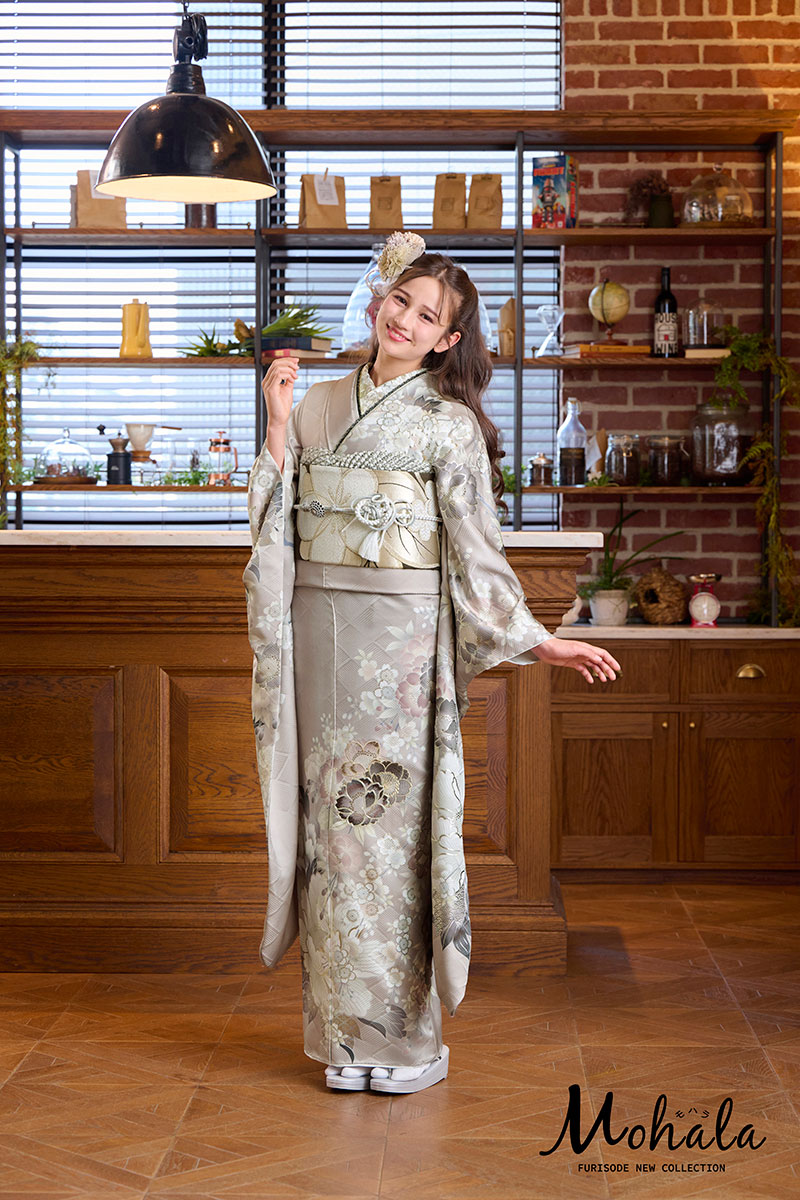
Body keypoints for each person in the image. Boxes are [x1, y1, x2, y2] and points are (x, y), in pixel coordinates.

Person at [243, 233, 620, 1096]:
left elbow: (477, 550)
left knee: (391, 835)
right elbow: (275, 517)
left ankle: (406, 1043)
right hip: (319, 633)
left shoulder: (448, 426)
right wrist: (277, 423)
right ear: (379, 301)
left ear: (448, 340)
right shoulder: (317, 403)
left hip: (401, 647)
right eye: (400, 300)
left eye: (427, 316)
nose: (404, 320)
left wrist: (539, 640)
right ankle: (344, 1042)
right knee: (331, 836)